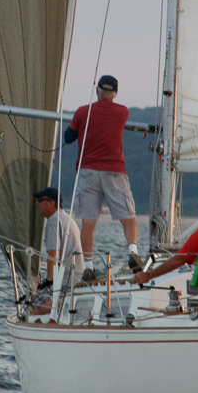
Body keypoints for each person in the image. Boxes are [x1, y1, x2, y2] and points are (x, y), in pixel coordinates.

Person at [64, 74, 141, 279]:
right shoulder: (123, 112)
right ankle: (133, 253)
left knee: (88, 222)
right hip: (114, 171)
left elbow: (68, 137)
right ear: (115, 93)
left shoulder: (82, 112)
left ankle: (88, 266)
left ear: (97, 90)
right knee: (128, 216)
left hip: (88, 172)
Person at [34, 186, 84, 286]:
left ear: (51, 203)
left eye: (40, 200)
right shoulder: (65, 218)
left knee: (37, 300)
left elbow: (53, 255)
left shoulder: (53, 221)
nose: (37, 203)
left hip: (67, 282)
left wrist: (48, 281)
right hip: (77, 277)